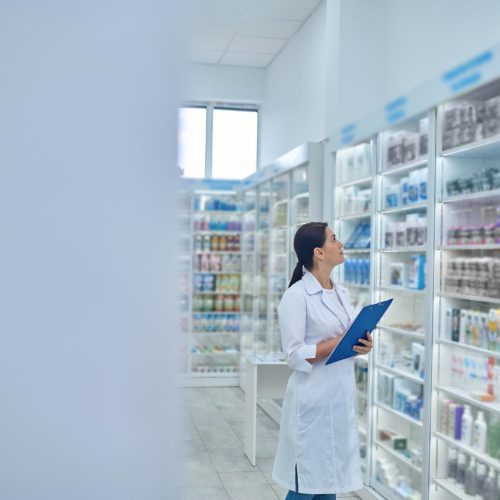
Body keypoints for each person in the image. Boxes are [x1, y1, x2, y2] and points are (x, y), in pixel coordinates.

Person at [272, 222, 373, 500]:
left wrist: (361, 344)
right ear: (318, 252)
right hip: (312, 402)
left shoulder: (341, 293)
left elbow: (346, 337)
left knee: (329, 485)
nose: (340, 244)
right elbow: (293, 355)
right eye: (334, 239)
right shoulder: (296, 296)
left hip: (339, 398)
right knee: (305, 486)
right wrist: (338, 344)